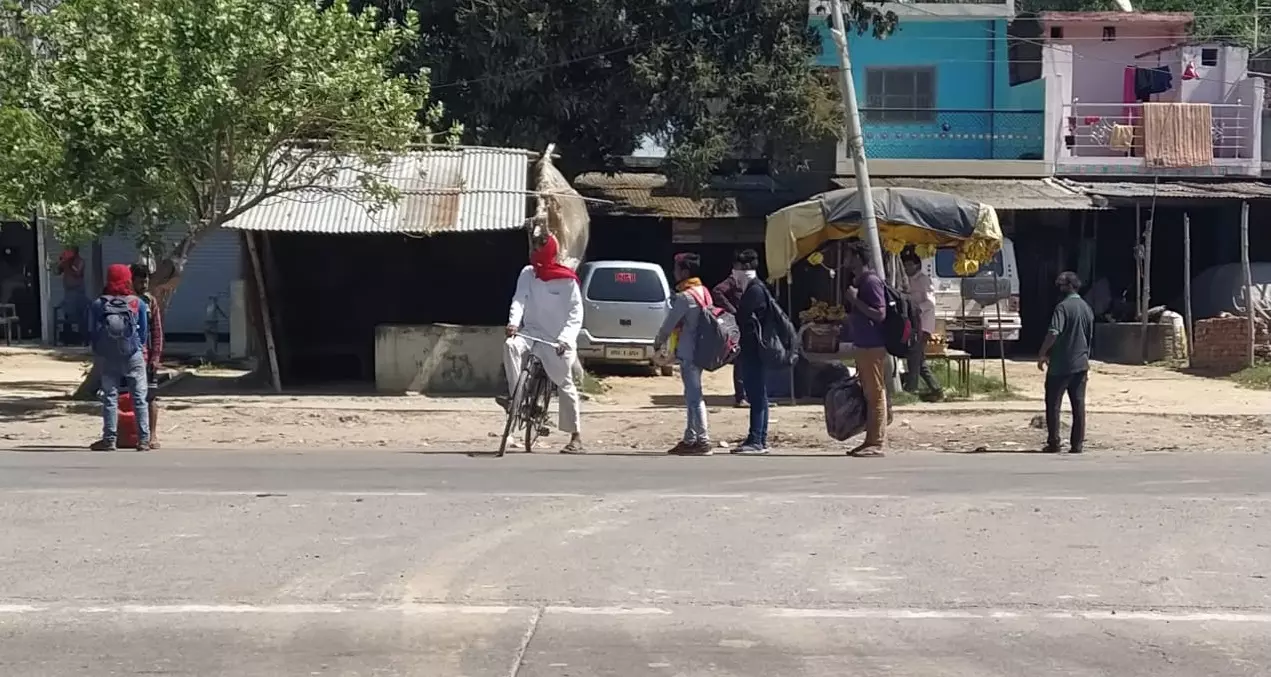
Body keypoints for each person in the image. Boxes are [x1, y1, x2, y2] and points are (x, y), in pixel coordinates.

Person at [501, 233, 586, 454]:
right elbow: (519, 299)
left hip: (556, 339)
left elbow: (575, 314)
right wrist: (513, 323)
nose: (534, 253)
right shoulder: (528, 273)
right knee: (511, 346)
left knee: (565, 384)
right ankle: (516, 398)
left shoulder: (567, 280)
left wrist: (565, 340)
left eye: (538, 249)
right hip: (531, 332)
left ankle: (576, 436)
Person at [87, 264, 151, 451]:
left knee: (110, 397)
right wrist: (137, 348)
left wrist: (101, 349)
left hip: (108, 356)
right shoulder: (137, 303)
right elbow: (144, 331)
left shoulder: (99, 304)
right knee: (139, 397)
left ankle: (109, 439)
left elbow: (91, 330)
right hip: (133, 355)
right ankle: (143, 440)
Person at [655, 252, 713, 455]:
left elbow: (668, 325)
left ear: (685, 271)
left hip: (689, 352)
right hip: (702, 349)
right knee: (691, 395)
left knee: (694, 396)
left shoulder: (684, 297)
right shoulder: (704, 292)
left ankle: (703, 440)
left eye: (677, 269)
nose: (674, 272)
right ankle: (690, 438)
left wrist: (658, 342)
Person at [1038, 271, 1094, 454]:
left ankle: (1054, 442)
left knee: (1053, 404)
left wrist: (1043, 352)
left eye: (1061, 285)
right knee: (1078, 405)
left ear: (1069, 286)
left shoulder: (1062, 308)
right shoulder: (1086, 308)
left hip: (1061, 365)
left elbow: (1054, 332)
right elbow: (1089, 337)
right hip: (1081, 364)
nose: (1059, 289)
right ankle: (1077, 444)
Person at [733, 248, 781, 455]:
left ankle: (757, 440)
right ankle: (758, 437)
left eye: (735, 267)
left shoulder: (754, 290)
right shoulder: (755, 288)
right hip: (754, 349)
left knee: (757, 395)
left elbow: (747, 320)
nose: (733, 272)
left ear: (744, 267)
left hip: (754, 350)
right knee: (757, 394)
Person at [843, 240, 888, 457]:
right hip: (863, 344)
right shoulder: (859, 280)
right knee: (869, 394)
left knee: (876, 394)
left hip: (872, 345)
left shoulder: (870, 282)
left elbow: (880, 314)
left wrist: (855, 300)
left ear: (858, 257)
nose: (845, 260)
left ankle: (876, 443)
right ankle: (870, 439)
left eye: (849, 256)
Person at [712, 250, 756, 408]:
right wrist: (732, 310)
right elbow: (717, 291)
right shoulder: (733, 280)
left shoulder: (749, 280)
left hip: (750, 323)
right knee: (741, 361)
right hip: (739, 325)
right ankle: (741, 396)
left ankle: (749, 394)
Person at [901, 248, 942, 399]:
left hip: (923, 325)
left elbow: (930, 303)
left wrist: (916, 309)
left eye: (910, 265)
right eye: (905, 265)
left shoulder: (923, 280)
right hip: (913, 325)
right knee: (918, 359)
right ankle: (936, 390)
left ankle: (911, 389)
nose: (907, 268)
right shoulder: (907, 280)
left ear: (917, 266)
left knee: (914, 357)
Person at [131, 262, 164, 449]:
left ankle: (152, 435)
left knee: (150, 397)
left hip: (147, 357)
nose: (143, 285)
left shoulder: (150, 301)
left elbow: (157, 331)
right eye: (140, 281)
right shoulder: (126, 301)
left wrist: (156, 356)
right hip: (128, 357)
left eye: (146, 281)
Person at [57, 246, 88, 342]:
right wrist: (61, 262)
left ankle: (83, 339)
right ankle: (67, 338)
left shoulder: (80, 261)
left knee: (80, 315)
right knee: (67, 314)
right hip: (68, 292)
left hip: (78, 291)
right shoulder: (66, 262)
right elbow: (57, 271)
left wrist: (70, 264)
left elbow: (77, 272)